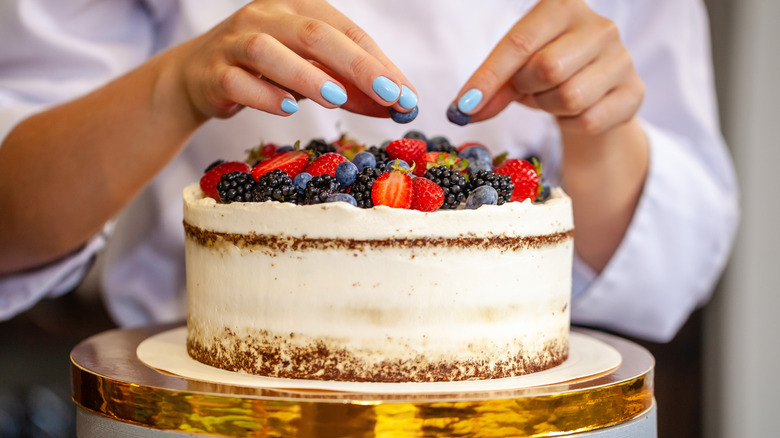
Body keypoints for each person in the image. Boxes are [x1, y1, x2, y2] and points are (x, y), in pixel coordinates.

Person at [0, 0, 738, 342]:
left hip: (516, 410)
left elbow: (669, 264)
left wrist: (598, 128)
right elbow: (12, 221)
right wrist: (174, 85)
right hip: (212, 414)